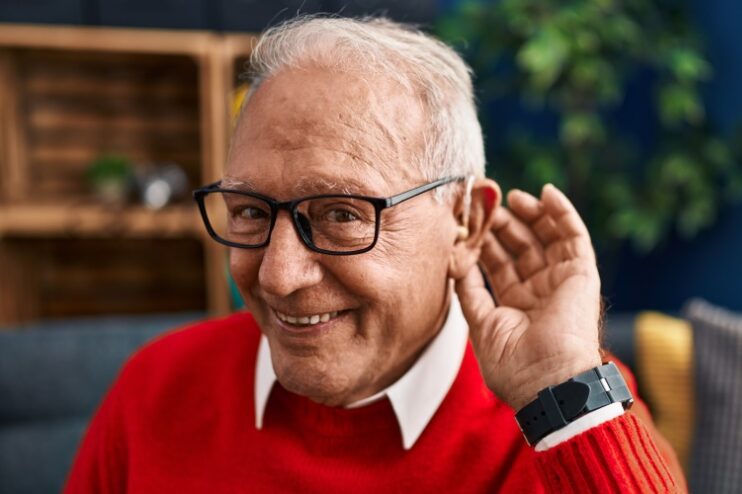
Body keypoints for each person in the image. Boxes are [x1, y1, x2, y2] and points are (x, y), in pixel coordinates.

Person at [66, 16, 685, 493]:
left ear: (466, 221)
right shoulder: (155, 389)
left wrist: (561, 395)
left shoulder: (567, 405)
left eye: (341, 215)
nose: (279, 276)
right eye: (251, 211)